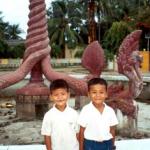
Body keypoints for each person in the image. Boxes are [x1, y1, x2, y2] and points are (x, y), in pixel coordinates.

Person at [78, 78, 118, 150]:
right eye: (94, 92)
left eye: (101, 92)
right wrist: (81, 148)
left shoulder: (110, 111)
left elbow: (112, 130)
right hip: (90, 144)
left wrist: (112, 146)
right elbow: (81, 131)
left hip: (107, 144)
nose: (98, 95)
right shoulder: (86, 110)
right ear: (89, 94)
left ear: (106, 94)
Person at [41, 79, 79, 150]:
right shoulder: (48, 115)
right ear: (51, 97)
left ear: (68, 95)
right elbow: (47, 136)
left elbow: (78, 133)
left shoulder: (74, 114)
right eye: (56, 95)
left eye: (63, 94)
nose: (60, 97)